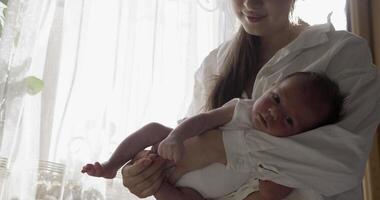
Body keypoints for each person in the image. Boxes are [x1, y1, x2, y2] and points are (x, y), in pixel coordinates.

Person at [121, 0, 380, 199]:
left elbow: (342, 164)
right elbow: (186, 153)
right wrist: (144, 169)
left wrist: (219, 146)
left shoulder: (342, 52)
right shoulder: (214, 63)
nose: (250, 3)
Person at [82, 72, 344, 199]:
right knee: (154, 129)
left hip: (192, 191)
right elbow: (204, 120)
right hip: (174, 148)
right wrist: (175, 137)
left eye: (288, 119)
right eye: (275, 98)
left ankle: (158, 184)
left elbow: (269, 191)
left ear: (301, 136)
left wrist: (159, 185)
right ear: (271, 87)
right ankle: (110, 165)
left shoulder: (284, 156)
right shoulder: (242, 109)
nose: (273, 112)